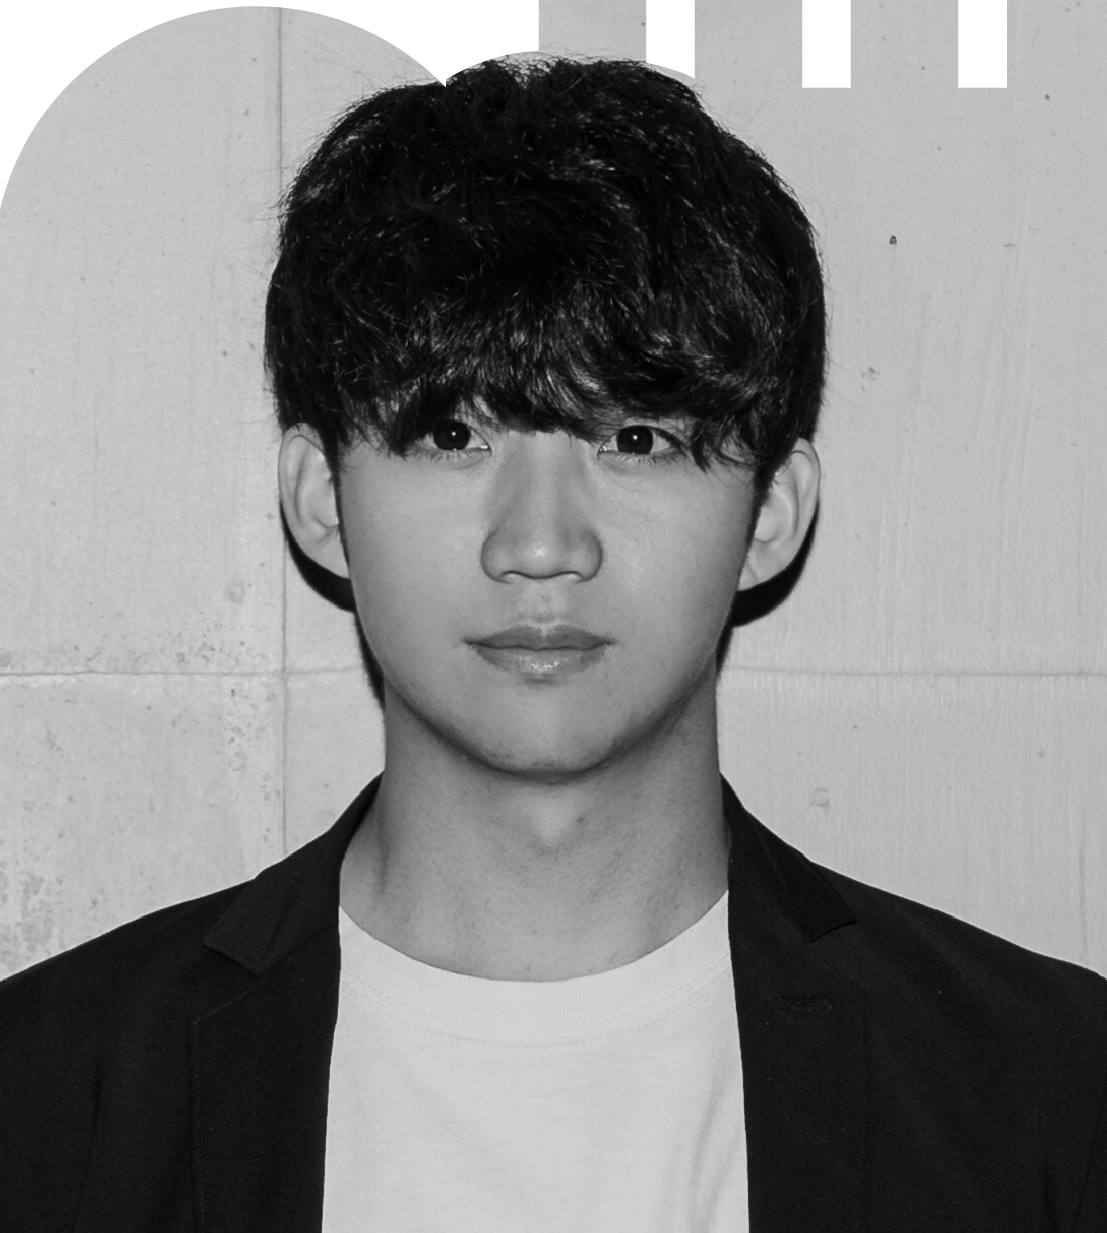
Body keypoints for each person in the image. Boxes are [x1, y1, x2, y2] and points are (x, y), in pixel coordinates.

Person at [1, 55, 1104, 1232]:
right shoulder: (47, 1100)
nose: (539, 545)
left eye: (633, 439)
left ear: (771, 515)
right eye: (452, 434)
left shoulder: (1048, 1098)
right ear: (321, 499)